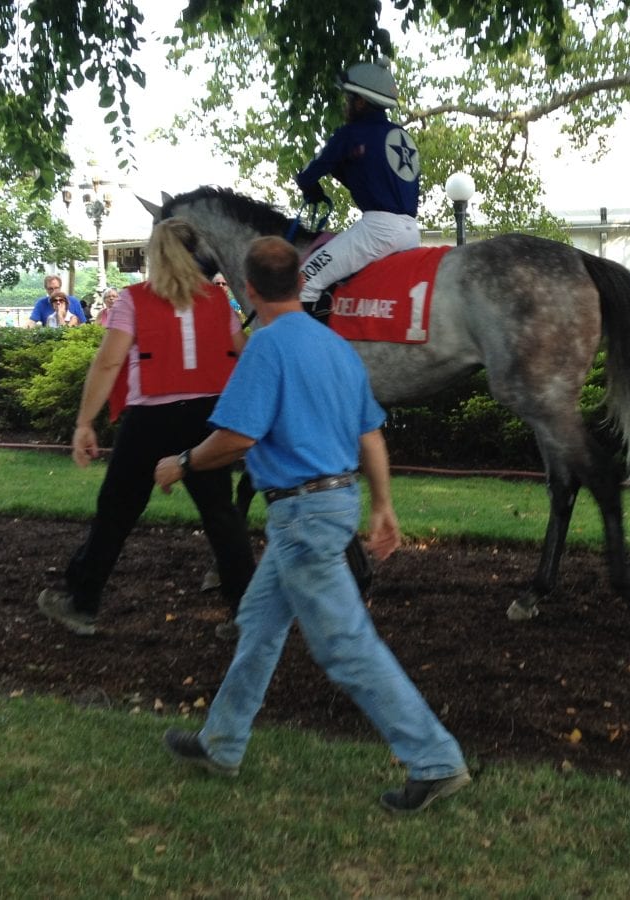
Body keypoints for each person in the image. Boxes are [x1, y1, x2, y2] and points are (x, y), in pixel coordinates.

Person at [154, 236, 470, 814]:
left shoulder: (267, 347)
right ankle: (221, 743)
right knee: (259, 623)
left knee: (346, 646)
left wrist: (181, 463)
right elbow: (369, 433)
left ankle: (434, 760)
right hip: (328, 506)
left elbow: (239, 437)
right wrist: (383, 505)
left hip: (301, 516)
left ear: (248, 289)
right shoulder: (336, 346)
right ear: (301, 283)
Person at [36, 219, 256, 637]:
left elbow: (107, 363)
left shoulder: (134, 300)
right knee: (221, 517)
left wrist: (85, 422)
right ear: (197, 252)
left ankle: (81, 603)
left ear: (155, 253)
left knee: (116, 512)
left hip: (149, 421)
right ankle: (246, 612)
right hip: (208, 418)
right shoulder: (216, 300)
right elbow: (244, 356)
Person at [294, 59, 421, 310]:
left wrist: (312, 189)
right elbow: (370, 179)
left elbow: (307, 175)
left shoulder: (351, 134)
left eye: (348, 99)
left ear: (360, 102)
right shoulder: (403, 137)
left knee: (303, 282)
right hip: (411, 234)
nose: (346, 105)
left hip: (377, 231)